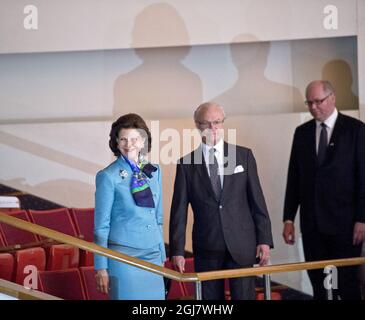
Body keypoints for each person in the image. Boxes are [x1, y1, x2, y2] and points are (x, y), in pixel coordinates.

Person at [169, 102, 273, 300]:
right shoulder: (186, 164)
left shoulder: (244, 156)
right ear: (197, 126)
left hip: (242, 244)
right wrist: (177, 250)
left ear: (223, 124)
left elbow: (257, 201)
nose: (213, 128)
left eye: (217, 122)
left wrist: (264, 239)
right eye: (207, 123)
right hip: (207, 246)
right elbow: (179, 211)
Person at [283, 80, 365, 300]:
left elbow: (363, 178)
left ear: (332, 98)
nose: (313, 107)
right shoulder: (302, 133)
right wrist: (288, 218)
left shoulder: (355, 130)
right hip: (312, 227)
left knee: (346, 285)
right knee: (320, 287)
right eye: (309, 102)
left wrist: (362, 218)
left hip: (345, 226)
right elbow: (294, 177)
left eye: (318, 101)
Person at [94, 113, 166, 300]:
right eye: (123, 139)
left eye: (134, 139)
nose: (129, 144)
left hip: (153, 256)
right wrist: (101, 266)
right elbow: (101, 225)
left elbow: (158, 217)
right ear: (116, 143)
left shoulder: (154, 171)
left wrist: (162, 256)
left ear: (143, 141)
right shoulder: (108, 176)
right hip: (123, 257)